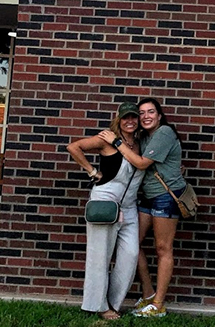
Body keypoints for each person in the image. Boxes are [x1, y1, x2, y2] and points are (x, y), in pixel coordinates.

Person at [103, 97, 186, 318]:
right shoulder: (143, 137)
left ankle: (158, 305)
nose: (146, 116)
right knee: (133, 244)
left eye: (151, 112)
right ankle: (148, 295)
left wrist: (116, 142)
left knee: (163, 249)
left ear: (159, 116)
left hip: (166, 197)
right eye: (142, 113)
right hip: (148, 197)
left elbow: (140, 163)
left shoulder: (164, 133)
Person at [67, 102, 145, 320]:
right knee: (99, 256)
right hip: (105, 201)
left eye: (134, 117)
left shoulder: (139, 143)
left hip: (129, 205)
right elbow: (74, 147)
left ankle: (114, 302)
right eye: (126, 117)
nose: (130, 121)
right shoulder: (105, 138)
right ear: (118, 118)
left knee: (130, 255)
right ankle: (99, 305)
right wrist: (92, 172)